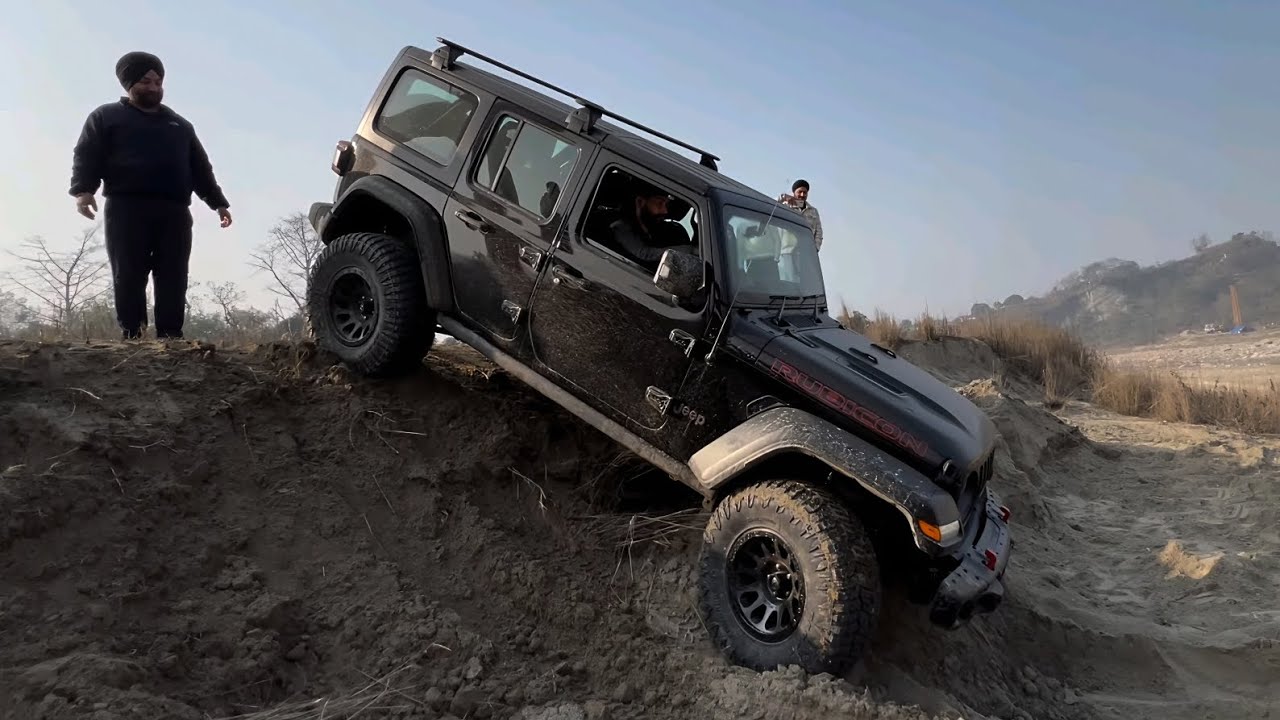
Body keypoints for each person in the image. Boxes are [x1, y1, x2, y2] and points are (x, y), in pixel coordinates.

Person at [68, 51, 232, 341]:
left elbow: (200, 168)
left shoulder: (179, 125)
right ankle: (133, 333)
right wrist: (83, 191)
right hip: (126, 206)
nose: (154, 87)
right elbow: (87, 154)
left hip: (174, 209)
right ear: (129, 84)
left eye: (158, 81)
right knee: (129, 272)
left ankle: (170, 335)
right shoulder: (106, 117)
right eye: (146, 81)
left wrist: (218, 202)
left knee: (173, 273)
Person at [609, 187, 691, 269]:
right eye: (660, 203)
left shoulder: (666, 229)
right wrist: (691, 250)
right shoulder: (620, 227)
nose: (665, 211)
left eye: (666, 205)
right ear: (640, 202)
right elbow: (645, 253)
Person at [778, 179, 823, 251]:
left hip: (807, 251)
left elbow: (819, 232)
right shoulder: (785, 206)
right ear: (794, 193)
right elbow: (770, 205)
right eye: (799, 192)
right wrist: (783, 197)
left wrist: (816, 248)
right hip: (788, 250)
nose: (802, 195)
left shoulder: (813, 211)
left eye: (805, 192)